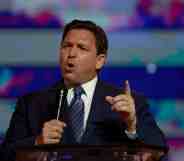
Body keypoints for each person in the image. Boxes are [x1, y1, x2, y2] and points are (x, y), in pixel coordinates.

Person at [1, 19, 168, 161]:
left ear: (99, 61)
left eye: (82, 48)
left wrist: (131, 127)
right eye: (67, 46)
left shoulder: (130, 104)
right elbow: (5, 155)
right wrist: (37, 143)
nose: (71, 53)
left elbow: (160, 154)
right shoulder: (31, 103)